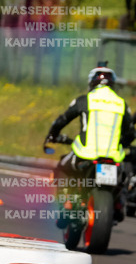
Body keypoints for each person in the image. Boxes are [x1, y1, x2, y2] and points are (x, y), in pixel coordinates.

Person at [47, 63, 135, 221]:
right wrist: (122, 144)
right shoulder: (122, 104)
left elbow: (62, 120)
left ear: (91, 82)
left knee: (61, 168)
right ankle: (117, 203)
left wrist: (53, 135)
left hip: (86, 154)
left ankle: (66, 203)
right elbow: (130, 132)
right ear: (113, 83)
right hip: (114, 157)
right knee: (123, 178)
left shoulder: (84, 100)